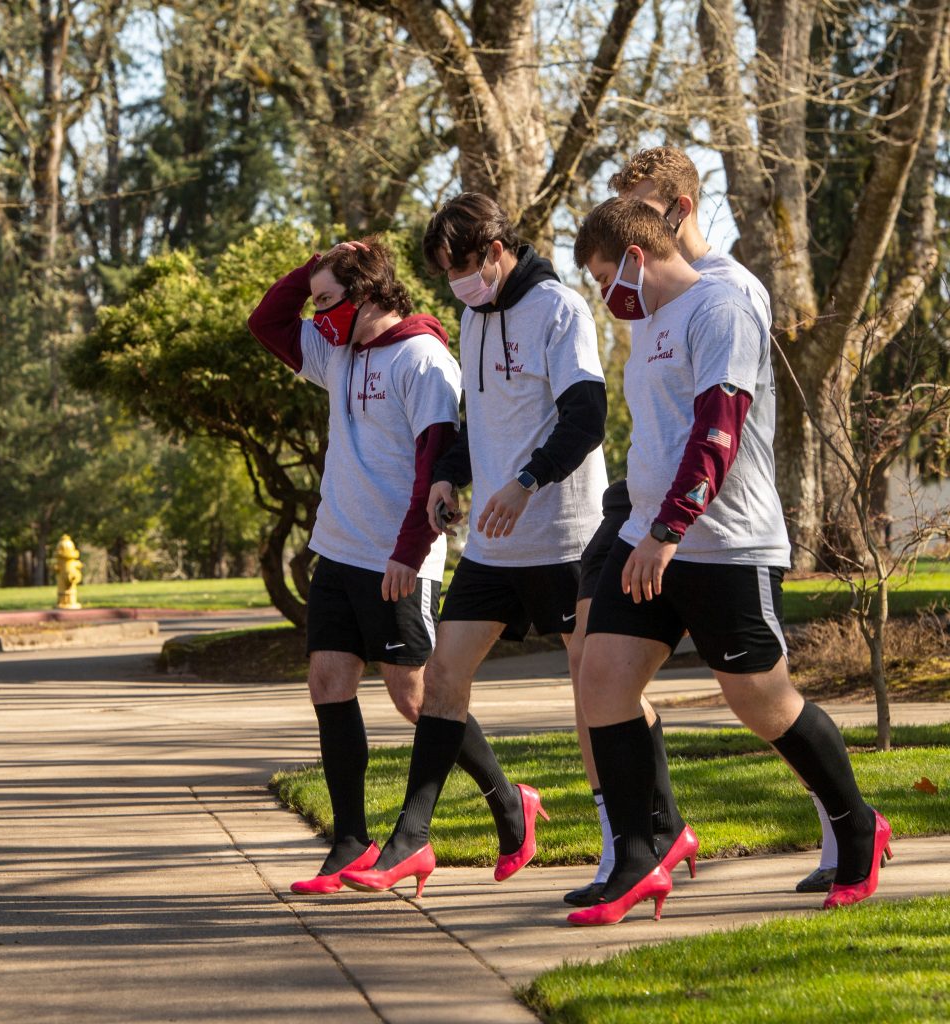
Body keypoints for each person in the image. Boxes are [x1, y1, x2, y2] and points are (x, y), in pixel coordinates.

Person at [567, 197, 890, 926]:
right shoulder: (648, 322)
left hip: (724, 544)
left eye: (604, 277)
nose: (605, 294)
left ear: (636, 258)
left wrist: (668, 529)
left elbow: (719, 430)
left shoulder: (722, 309)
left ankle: (857, 827)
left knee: (762, 703)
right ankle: (637, 859)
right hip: (647, 538)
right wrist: (645, 529)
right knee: (602, 680)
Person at [339, 193, 608, 897]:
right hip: (493, 546)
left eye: (461, 266)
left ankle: (646, 835)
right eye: (445, 271)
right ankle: (410, 839)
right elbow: (477, 421)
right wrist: (449, 475)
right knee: (443, 677)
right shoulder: (473, 316)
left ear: (494, 250)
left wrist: (526, 482)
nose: (455, 281)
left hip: (565, 537)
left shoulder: (561, 309)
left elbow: (586, 418)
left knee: (601, 691)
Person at [247, 238, 529, 894]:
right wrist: (313, 270)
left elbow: (436, 468)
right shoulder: (337, 353)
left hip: (399, 557)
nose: (316, 316)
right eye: (315, 303)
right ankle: (350, 841)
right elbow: (266, 322)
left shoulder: (424, 360)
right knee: (327, 682)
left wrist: (409, 551)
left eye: (327, 301)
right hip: (338, 547)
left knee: (417, 697)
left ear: (367, 293)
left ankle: (510, 799)